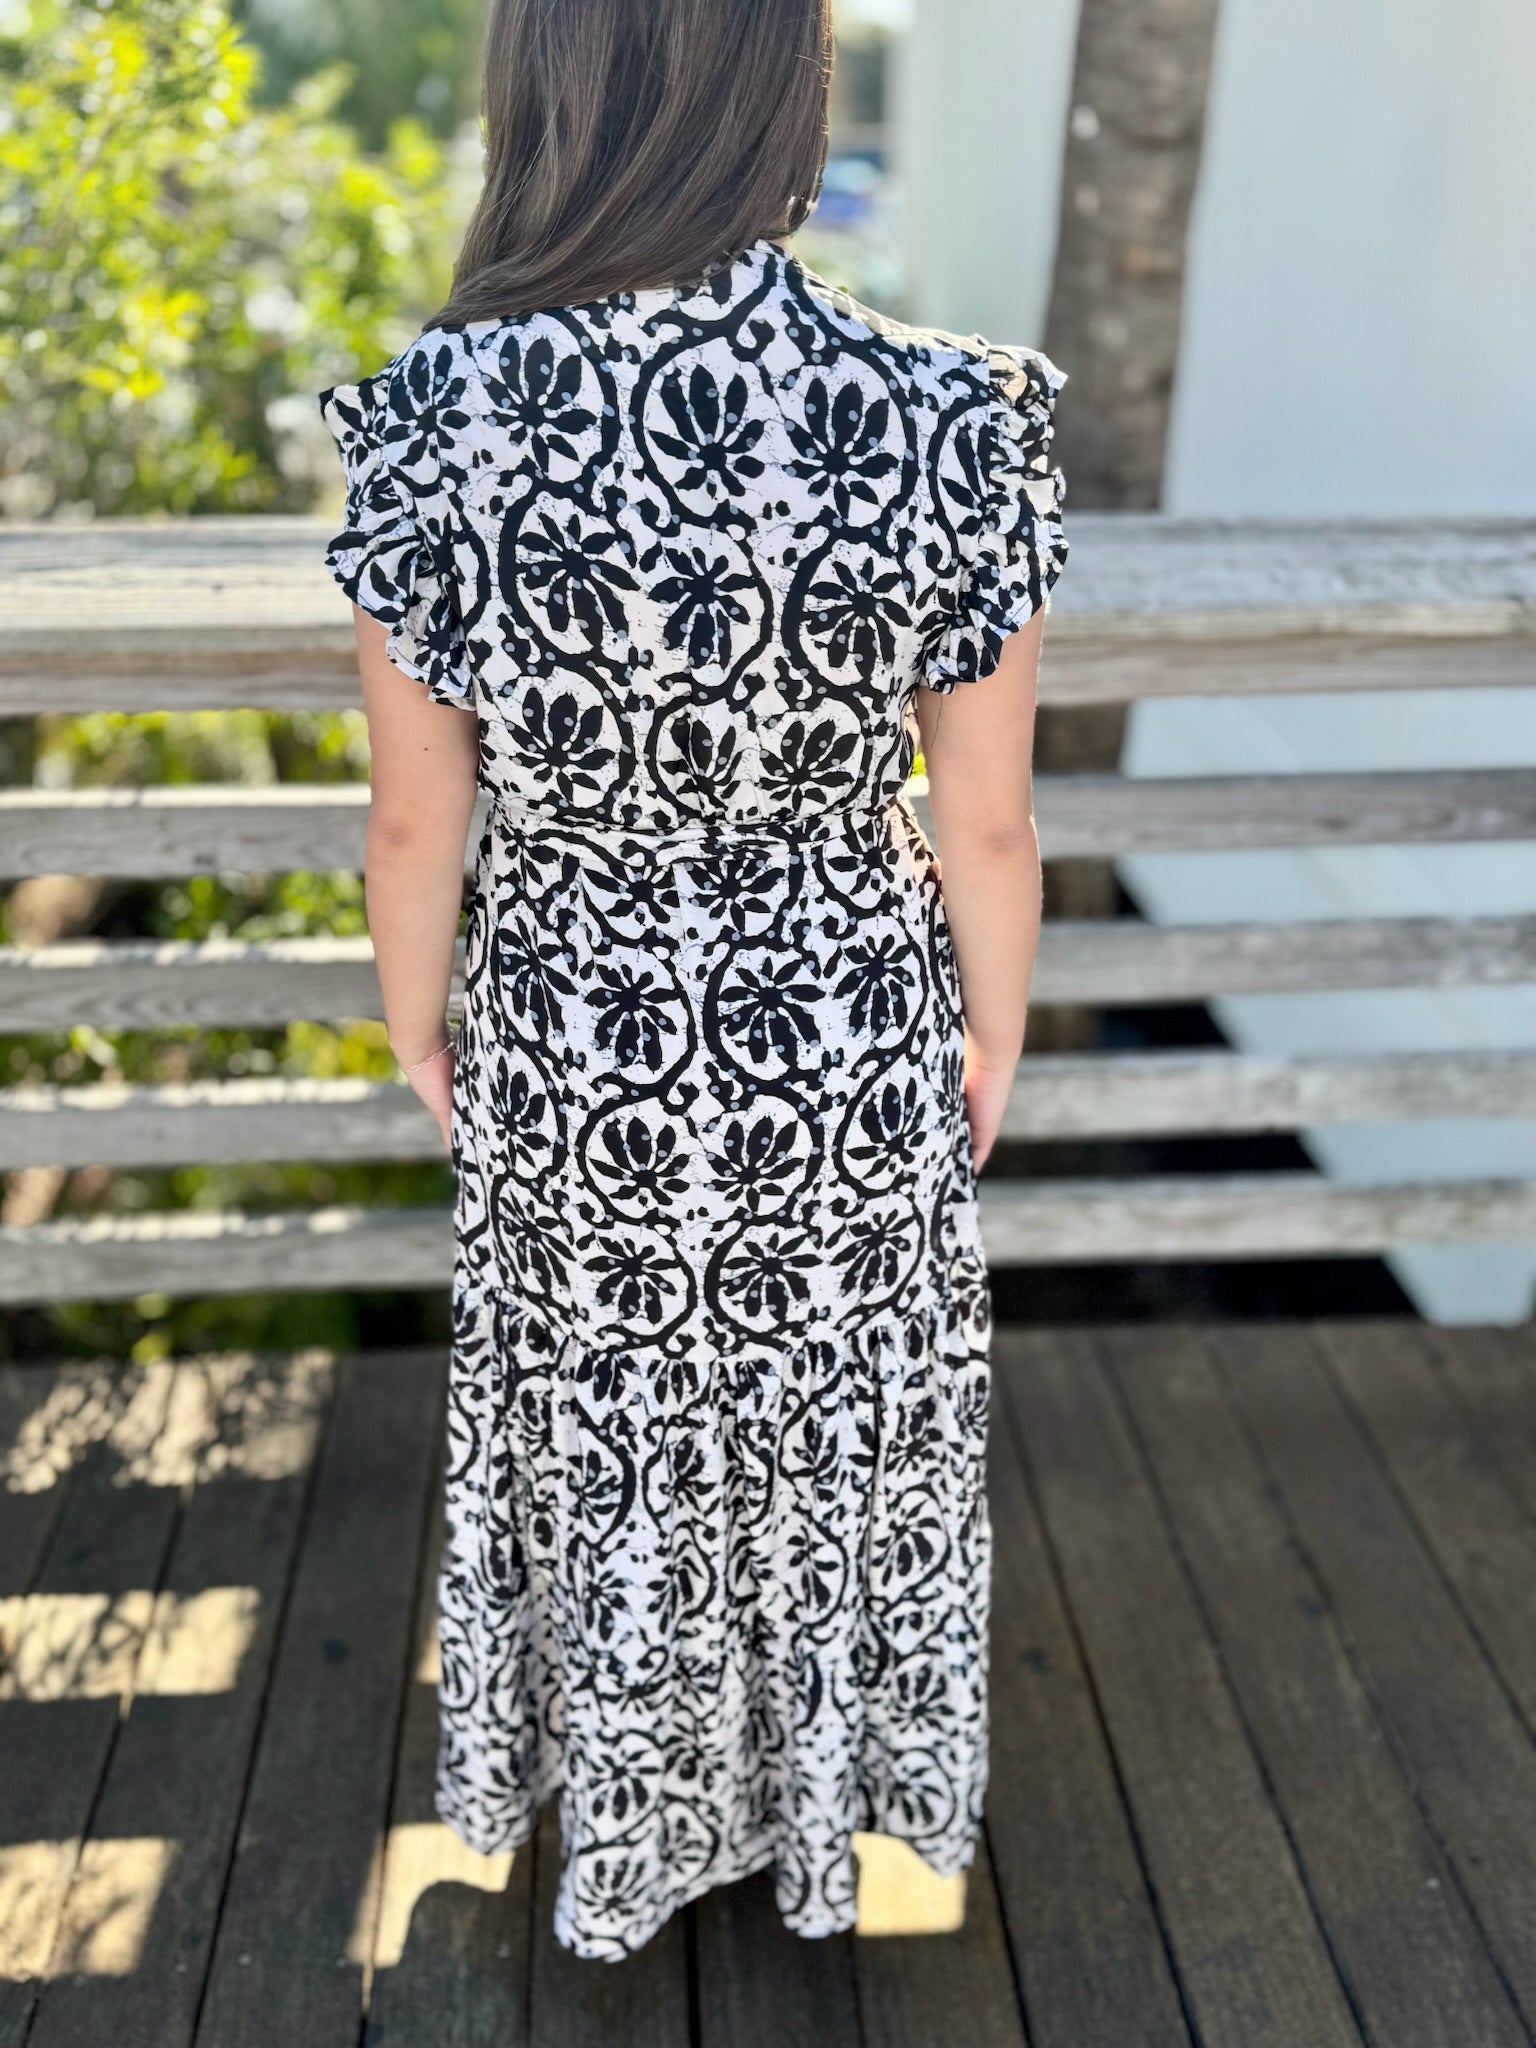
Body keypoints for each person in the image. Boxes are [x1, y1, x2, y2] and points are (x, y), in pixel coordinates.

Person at [317, 0, 1066, 1964]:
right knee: (828, 1443)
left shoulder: (440, 418)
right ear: (779, 90)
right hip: (847, 1030)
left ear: (550, 89)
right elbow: (985, 822)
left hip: (579, 1032)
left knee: (624, 1435)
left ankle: (637, 1831)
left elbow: (418, 829)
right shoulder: (945, 410)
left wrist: (415, 1027)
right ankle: (811, 1829)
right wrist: (988, 1034)